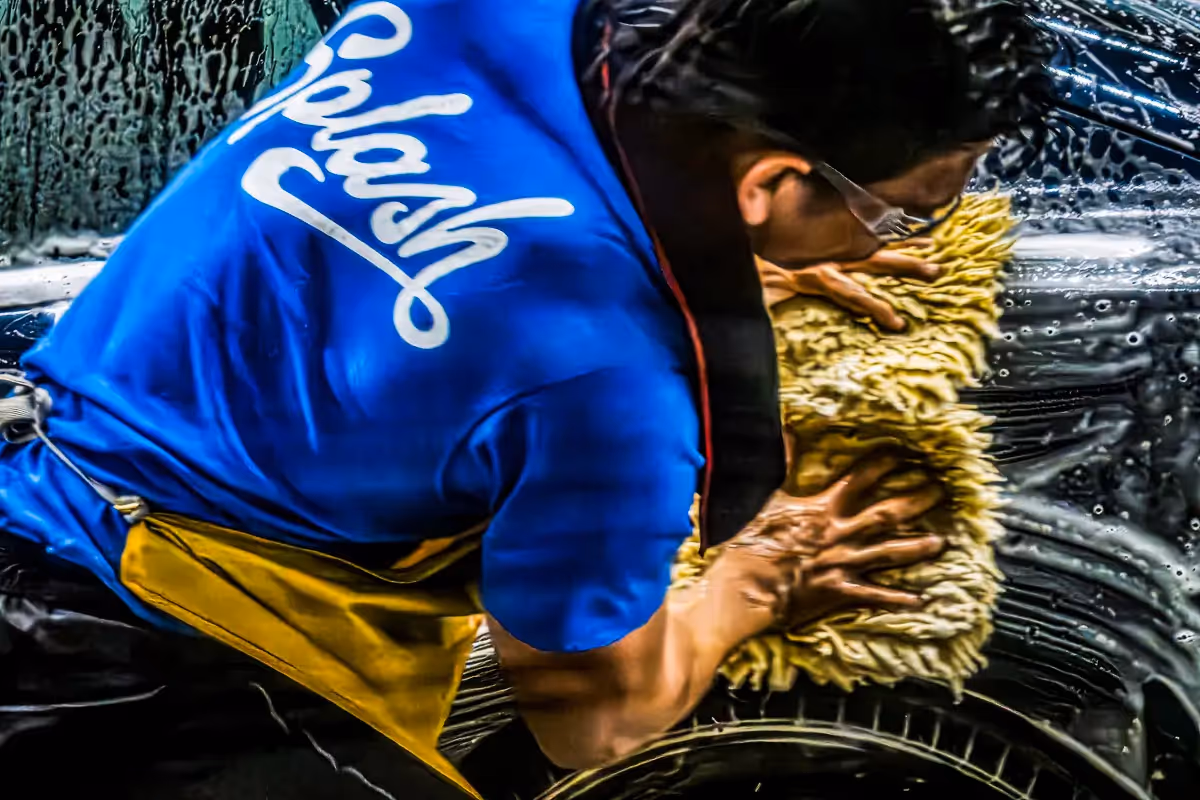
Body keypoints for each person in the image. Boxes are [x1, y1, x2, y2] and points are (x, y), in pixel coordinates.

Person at [0, 0, 1053, 797]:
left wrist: (705, 264)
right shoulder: (603, 381)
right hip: (126, 673)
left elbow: (439, 263)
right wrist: (758, 582)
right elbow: (591, 718)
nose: (889, 241)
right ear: (768, 184)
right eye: (905, 212)